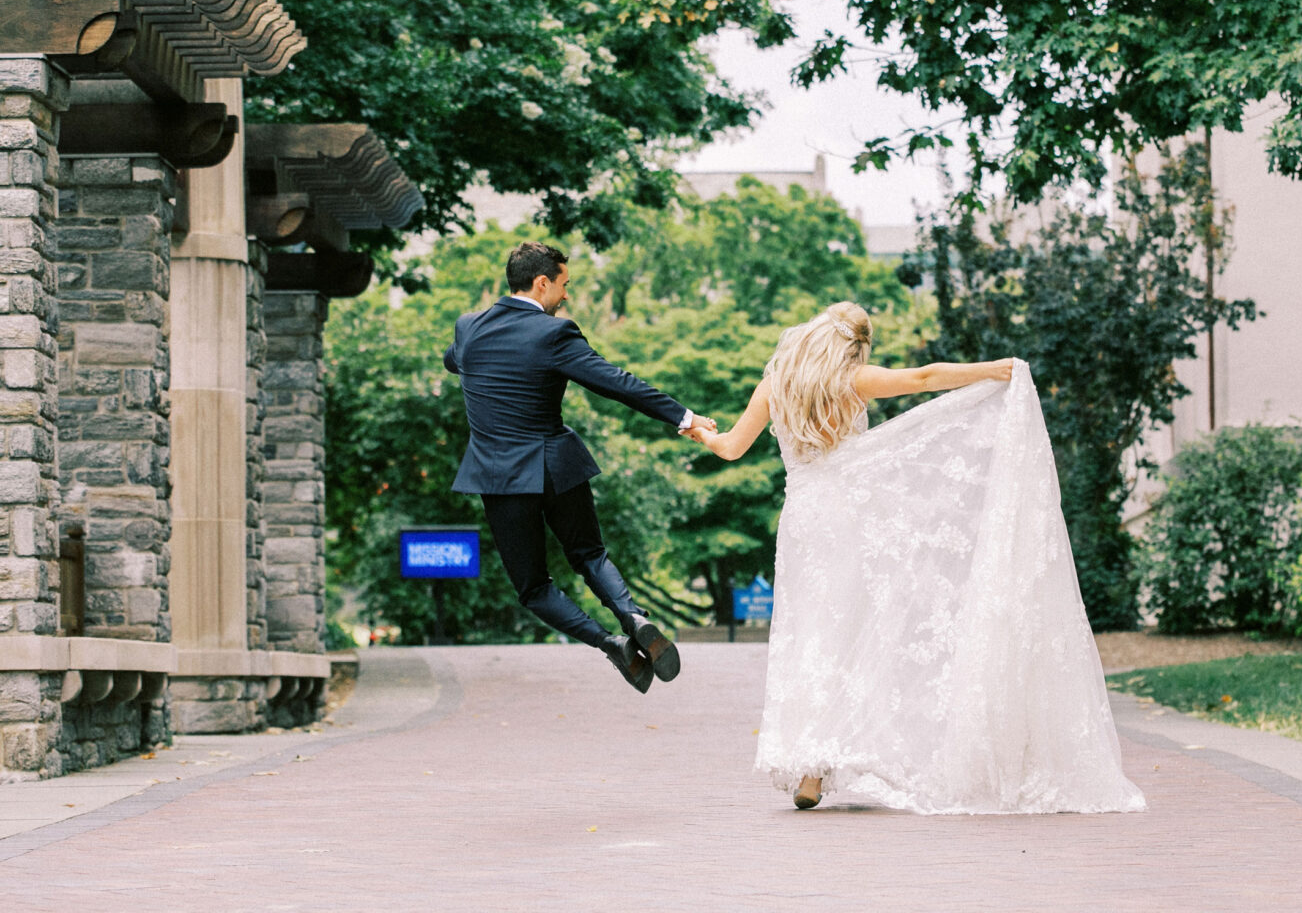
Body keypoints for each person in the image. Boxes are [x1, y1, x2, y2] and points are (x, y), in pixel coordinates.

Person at [692, 302, 1146, 815]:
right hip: (851, 519)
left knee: (811, 635)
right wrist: (995, 371)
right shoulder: (853, 380)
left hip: (804, 525)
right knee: (858, 635)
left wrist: (702, 432)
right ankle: (863, 747)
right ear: (854, 346)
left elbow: (731, 447)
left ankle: (811, 770)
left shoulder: (776, 385)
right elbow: (924, 378)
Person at [443, 241, 714, 692]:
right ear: (542, 282)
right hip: (555, 465)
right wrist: (684, 418)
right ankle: (633, 616)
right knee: (589, 554)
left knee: (533, 588)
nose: (566, 296)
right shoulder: (554, 333)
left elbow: (453, 361)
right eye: (564, 285)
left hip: (500, 477)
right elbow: (615, 382)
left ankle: (609, 643)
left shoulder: (468, 328)